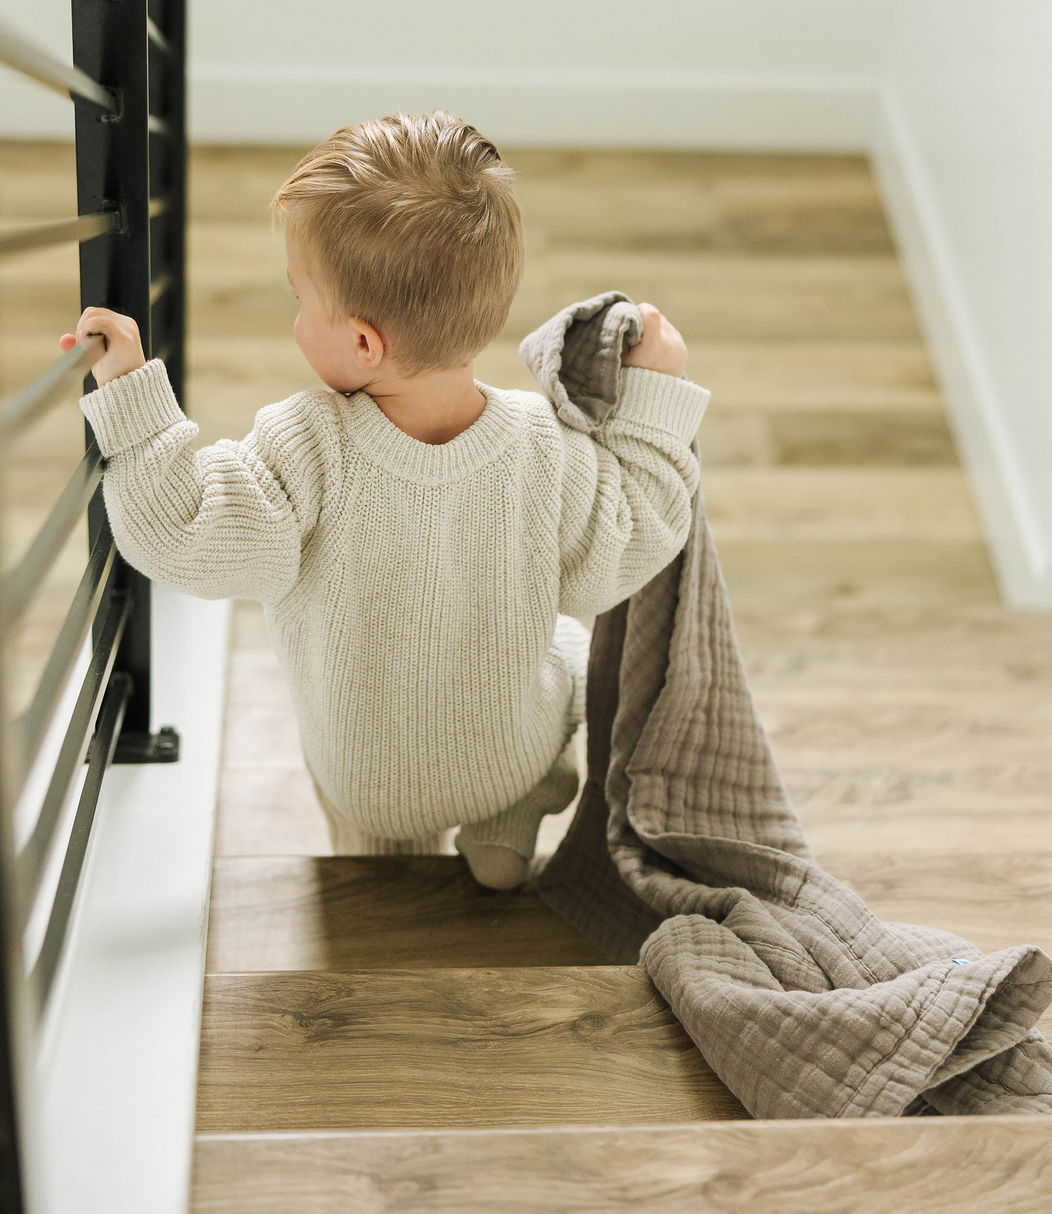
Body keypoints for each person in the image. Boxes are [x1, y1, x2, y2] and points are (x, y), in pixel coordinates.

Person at [63, 110, 708, 889]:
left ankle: (387, 865)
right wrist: (658, 391)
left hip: (368, 776)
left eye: (301, 300)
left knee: (377, 840)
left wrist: (131, 390)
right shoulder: (546, 445)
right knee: (569, 655)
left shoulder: (302, 448)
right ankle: (511, 816)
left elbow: (180, 526)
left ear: (364, 345)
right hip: (504, 752)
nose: (296, 317)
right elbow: (643, 527)